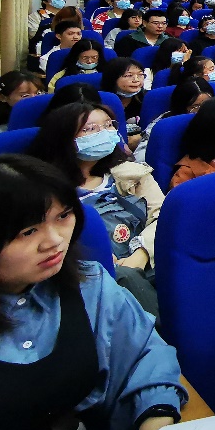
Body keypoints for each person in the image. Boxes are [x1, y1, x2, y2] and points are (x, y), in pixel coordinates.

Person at [0, 155, 185, 430]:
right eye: (28, 232)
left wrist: (155, 422)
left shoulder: (89, 284)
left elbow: (145, 359)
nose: (54, 241)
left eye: (63, 216)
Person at [26, 103, 163, 318]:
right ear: (64, 138)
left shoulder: (132, 174)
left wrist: (142, 253)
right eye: (90, 129)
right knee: (125, 279)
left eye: (108, 125)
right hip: (94, 272)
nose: (104, 133)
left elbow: (162, 216)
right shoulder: (44, 190)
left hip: (149, 257)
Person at [142, 78, 214, 142]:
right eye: (195, 106)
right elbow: (144, 151)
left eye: (207, 104)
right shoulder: (163, 124)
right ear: (182, 106)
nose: (203, 109)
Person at [100, 58, 149, 148]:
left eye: (140, 75)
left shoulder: (148, 99)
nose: (136, 80)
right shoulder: (101, 101)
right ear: (112, 78)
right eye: (128, 75)